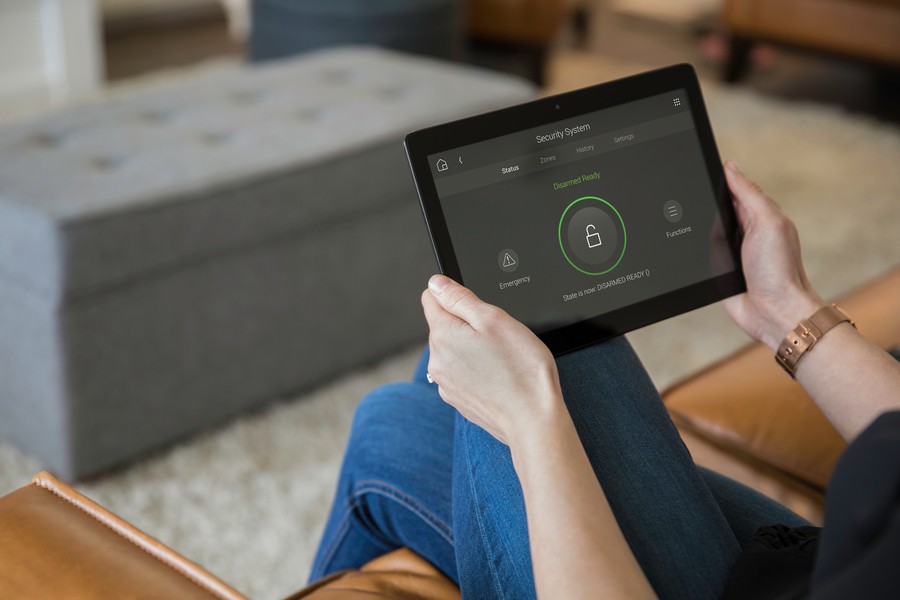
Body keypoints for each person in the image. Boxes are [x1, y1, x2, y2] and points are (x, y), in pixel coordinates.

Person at [309, 161, 900, 599]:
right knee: (479, 350)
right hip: (828, 567)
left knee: (390, 423)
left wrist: (533, 422)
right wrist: (785, 308)